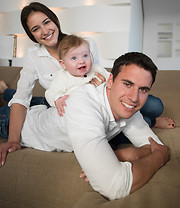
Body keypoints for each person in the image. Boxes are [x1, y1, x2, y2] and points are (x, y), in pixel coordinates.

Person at [2, 52, 170, 200]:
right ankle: (4, 91)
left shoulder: (128, 107)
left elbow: (155, 145)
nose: (134, 98)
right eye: (127, 84)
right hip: (13, 122)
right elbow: (115, 186)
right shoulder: (84, 104)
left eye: (143, 90)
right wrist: (159, 157)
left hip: (46, 112)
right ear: (110, 81)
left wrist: (126, 153)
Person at [0, 2, 104, 162]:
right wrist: (13, 140)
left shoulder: (85, 44)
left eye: (46, 22)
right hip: (55, 105)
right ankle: (6, 91)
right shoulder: (33, 55)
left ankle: (5, 90)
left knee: (153, 107)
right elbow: (22, 98)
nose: (45, 31)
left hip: (73, 104)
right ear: (31, 35)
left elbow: (96, 78)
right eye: (35, 29)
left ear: (55, 20)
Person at [45, 35, 108, 116]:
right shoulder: (62, 77)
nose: (81, 61)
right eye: (74, 58)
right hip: (75, 111)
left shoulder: (96, 69)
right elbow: (51, 92)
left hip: (98, 109)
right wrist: (58, 99)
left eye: (85, 56)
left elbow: (112, 79)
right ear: (63, 64)